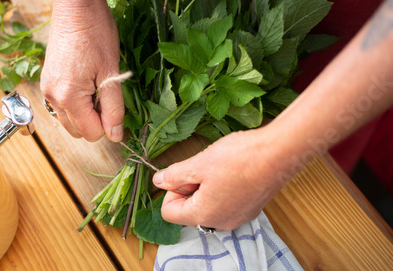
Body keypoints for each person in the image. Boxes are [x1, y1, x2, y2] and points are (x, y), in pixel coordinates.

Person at [41, 0, 393, 231]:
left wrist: (271, 156)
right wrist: (78, 11)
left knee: (307, 209)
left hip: (358, 60)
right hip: (188, 15)